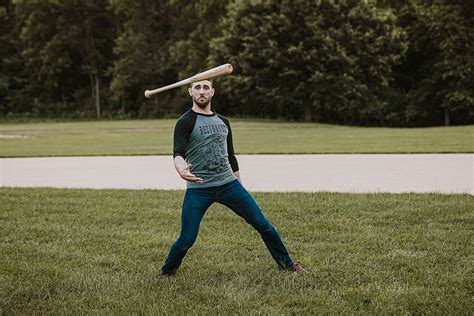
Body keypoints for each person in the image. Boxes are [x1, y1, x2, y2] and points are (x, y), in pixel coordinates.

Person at [159, 78, 306, 277]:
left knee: (264, 225)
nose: (202, 92)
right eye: (197, 88)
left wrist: (240, 186)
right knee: (187, 238)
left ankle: (287, 265)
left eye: (206, 87)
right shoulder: (185, 122)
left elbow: (231, 156)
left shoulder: (223, 122)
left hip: (229, 185)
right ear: (190, 92)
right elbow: (178, 153)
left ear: (212, 92)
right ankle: (167, 272)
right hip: (200, 189)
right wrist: (181, 169)